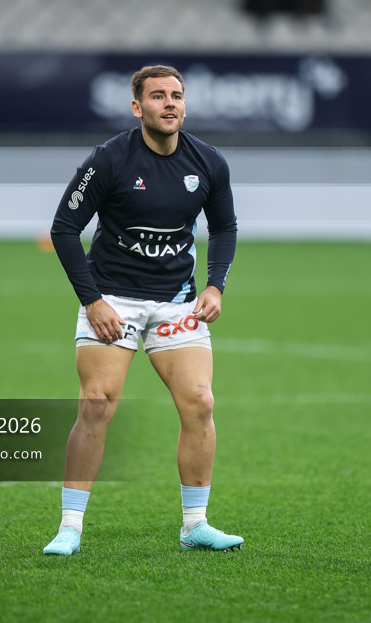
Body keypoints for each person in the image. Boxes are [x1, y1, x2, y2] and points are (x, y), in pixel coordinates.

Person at [43, 65, 243, 556]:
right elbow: (64, 228)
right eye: (158, 96)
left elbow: (224, 227)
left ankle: (195, 524)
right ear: (137, 107)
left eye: (177, 95)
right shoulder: (109, 160)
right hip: (113, 298)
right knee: (96, 403)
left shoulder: (209, 162)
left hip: (175, 300)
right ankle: (70, 527)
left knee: (200, 403)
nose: (170, 103)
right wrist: (93, 301)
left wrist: (215, 286)